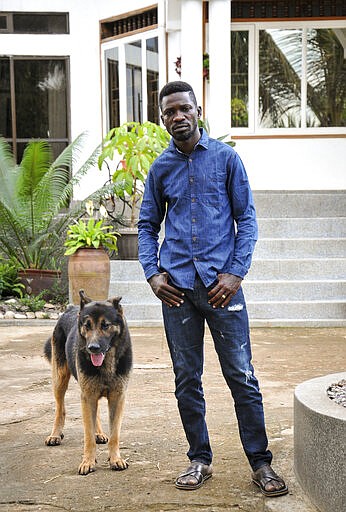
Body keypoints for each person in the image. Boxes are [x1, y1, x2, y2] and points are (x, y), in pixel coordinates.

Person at [138, 81, 288, 497]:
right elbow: (147, 227)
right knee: (187, 378)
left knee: (242, 376)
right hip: (178, 292)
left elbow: (248, 221)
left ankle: (261, 464)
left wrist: (236, 273)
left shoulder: (226, 160)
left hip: (224, 289)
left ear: (197, 110)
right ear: (163, 118)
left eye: (184, 109)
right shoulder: (160, 169)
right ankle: (198, 459)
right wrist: (154, 276)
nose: (178, 117)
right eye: (170, 112)